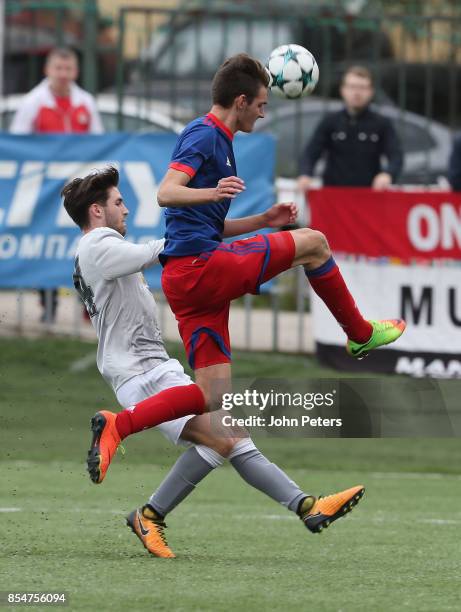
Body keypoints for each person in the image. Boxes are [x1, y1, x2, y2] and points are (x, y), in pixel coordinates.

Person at [63, 166, 366, 559]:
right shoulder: (97, 244)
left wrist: (259, 223)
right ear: (96, 211)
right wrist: (212, 205)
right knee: (227, 439)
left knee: (229, 439)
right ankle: (302, 507)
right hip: (140, 373)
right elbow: (168, 249)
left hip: (152, 367)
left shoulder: (99, 247)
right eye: (118, 202)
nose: (126, 209)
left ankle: (302, 508)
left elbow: (183, 244)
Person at [10, 46, 104, 324]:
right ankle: (47, 304)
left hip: (80, 191)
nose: (63, 74)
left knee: (85, 245)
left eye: (68, 69)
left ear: (75, 71)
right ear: (47, 70)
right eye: (58, 68)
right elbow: (18, 143)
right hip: (43, 189)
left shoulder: (85, 102)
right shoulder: (33, 103)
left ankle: (87, 305)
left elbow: (98, 143)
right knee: (44, 242)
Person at [297, 65, 403, 192]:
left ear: (371, 92)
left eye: (362, 88)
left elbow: (396, 155)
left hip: (369, 197)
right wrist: (305, 174)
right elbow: (311, 152)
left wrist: (388, 174)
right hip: (334, 198)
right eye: (352, 87)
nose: (357, 93)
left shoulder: (382, 124)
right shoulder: (330, 122)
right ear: (343, 90)